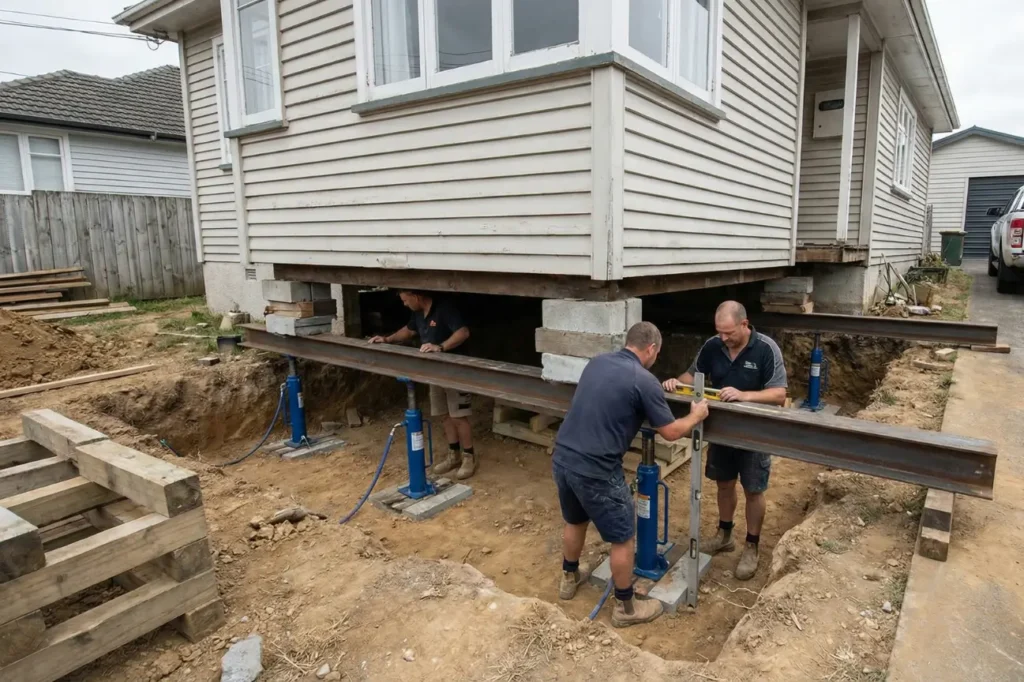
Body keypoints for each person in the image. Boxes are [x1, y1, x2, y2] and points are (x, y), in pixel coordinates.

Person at [552, 321, 710, 627]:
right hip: (597, 469)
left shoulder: (597, 363)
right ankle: (626, 608)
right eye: (657, 353)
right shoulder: (644, 379)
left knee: (575, 520)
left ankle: (568, 578)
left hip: (563, 457)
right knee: (623, 538)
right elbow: (670, 431)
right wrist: (695, 415)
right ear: (651, 349)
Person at [662, 301, 787, 581]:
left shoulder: (766, 348)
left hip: (755, 432)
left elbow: (779, 395)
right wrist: (675, 384)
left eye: (729, 332)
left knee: (754, 489)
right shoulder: (712, 346)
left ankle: (751, 545)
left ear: (745, 325)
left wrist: (745, 395)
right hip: (721, 431)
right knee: (724, 483)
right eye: (719, 332)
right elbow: (691, 377)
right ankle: (724, 534)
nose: (724, 338)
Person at [368, 290, 477, 479]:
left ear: (416, 296)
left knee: (459, 416)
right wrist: (386, 339)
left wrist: (440, 347)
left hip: (455, 372)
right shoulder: (418, 313)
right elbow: (408, 330)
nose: (404, 304)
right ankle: (454, 455)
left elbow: (463, 332)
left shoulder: (444, 309)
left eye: (405, 300)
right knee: (444, 415)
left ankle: (469, 457)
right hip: (434, 372)